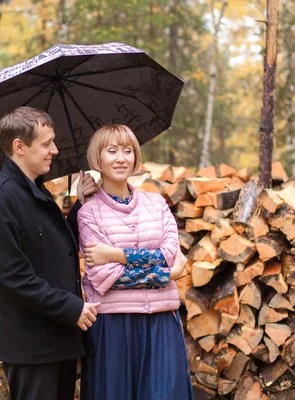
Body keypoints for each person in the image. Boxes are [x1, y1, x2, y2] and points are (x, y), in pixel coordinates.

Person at [0, 106, 100, 400]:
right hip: (31, 344)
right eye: (46, 144)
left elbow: (59, 248)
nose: (55, 150)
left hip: (58, 337)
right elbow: (11, 275)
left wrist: (81, 204)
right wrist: (71, 307)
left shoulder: (38, 192)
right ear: (19, 146)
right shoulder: (0, 196)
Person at [77, 124, 194, 400]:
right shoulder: (88, 213)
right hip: (114, 327)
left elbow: (168, 254)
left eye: (127, 151)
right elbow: (105, 277)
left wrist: (118, 254)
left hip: (161, 321)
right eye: (112, 151)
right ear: (98, 159)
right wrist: (167, 276)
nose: (121, 158)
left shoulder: (157, 203)